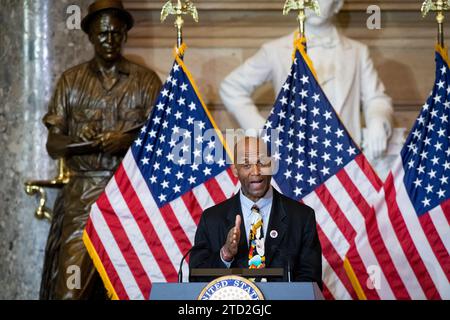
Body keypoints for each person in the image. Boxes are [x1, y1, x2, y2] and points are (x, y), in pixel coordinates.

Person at [40, 0, 162, 299]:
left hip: (130, 194)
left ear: (125, 34)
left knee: (128, 289)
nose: (110, 40)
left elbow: (162, 142)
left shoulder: (146, 81)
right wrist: (81, 141)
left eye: (117, 33)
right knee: (70, 287)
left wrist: (127, 142)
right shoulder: (71, 81)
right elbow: (53, 146)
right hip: (83, 195)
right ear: (91, 36)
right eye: (103, 34)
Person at [219, 0, 394, 160]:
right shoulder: (275, 50)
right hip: (295, 157)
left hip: (345, 156)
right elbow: (231, 87)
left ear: (338, 4)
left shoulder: (357, 52)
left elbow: (376, 98)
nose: (312, 2)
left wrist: (378, 120)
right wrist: (263, 132)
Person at [189, 137, 322, 286]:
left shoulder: (302, 217)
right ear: (235, 170)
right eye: (246, 165)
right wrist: (225, 255)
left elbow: (311, 282)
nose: (256, 171)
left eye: (262, 162)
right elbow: (196, 277)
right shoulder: (212, 219)